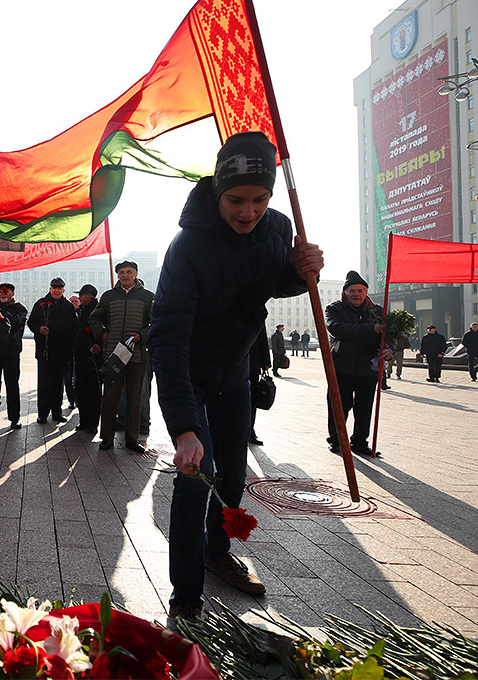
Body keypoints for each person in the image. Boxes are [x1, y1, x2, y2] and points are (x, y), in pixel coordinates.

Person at [147, 131, 324, 627]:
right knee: (193, 479)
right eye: (236, 201)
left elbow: (272, 279)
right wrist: (183, 426)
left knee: (231, 477)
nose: (248, 212)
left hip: (237, 373)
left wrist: (300, 268)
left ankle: (216, 550)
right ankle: (186, 595)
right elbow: (168, 338)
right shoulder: (188, 247)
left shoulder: (276, 227)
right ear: (218, 193)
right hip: (193, 372)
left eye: (259, 200)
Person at [324, 271, 393, 456]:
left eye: (360, 290)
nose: (356, 294)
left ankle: (360, 442)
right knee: (339, 405)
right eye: (352, 290)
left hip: (368, 368)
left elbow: (393, 335)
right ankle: (337, 440)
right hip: (341, 366)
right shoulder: (334, 309)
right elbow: (336, 328)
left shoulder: (378, 311)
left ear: (366, 292)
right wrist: (371, 328)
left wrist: (390, 351)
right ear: (345, 292)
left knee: (364, 408)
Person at [90, 260, 154, 453]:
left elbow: (156, 323)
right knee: (110, 397)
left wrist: (141, 335)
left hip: (137, 355)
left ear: (136, 273)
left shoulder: (148, 297)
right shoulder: (108, 297)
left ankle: (132, 439)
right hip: (114, 355)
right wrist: (102, 333)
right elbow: (94, 317)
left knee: (135, 397)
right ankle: (106, 437)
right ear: (117, 275)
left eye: (129, 272)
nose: (125, 275)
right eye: (121, 272)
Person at [27, 277, 76, 424]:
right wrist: (38, 329)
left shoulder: (68, 306)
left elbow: (74, 328)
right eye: (54, 287)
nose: (56, 290)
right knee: (44, 383)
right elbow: (31, 322)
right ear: (50, 289)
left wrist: (71, 350)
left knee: (58, 383)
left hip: (62, 352)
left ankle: (57, 412)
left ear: (63, 290)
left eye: (59, 288)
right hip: (45, 352)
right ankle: (42, 413)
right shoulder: (41, 304)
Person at [0, 283, 28, 430]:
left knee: (12, 385)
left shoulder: (20, 309)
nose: (2, 294)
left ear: (12, 294)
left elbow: (15, 324)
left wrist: (0, 312)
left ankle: (14, 418)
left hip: (11, 353)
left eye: (5, 292)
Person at [73, 284, 103, 435]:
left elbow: (103, 330)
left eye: (82, 295)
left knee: (94, 390)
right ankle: (83, 421)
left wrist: (98, 344)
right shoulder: (81, 310)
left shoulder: (99, 310)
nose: (79, 298)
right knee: (81, 388)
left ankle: (93, 423)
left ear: (89, 296)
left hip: (94, 357)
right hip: (80, 355)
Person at [247, 327, 271, 446]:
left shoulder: (255, 309)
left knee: (252, 401)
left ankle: (250, 431)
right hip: (232, 365)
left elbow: (262, 336)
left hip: (252, 365)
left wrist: (266, 362)